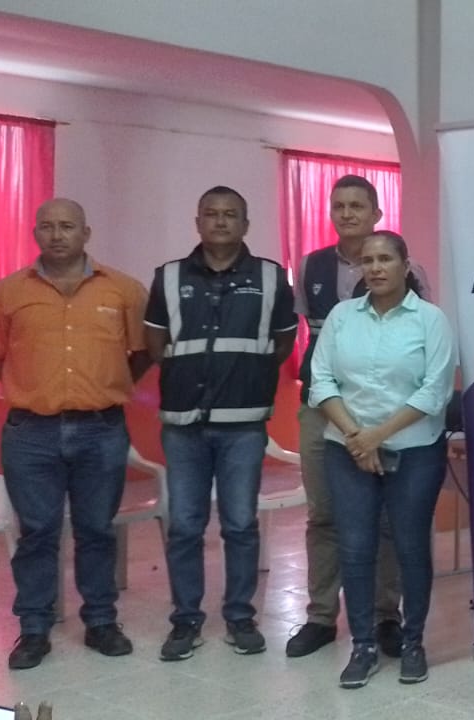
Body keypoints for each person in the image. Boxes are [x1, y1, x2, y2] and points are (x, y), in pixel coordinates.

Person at [0, 198, 151, 670]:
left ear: (86, 233)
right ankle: (34, 629)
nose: (57, 235)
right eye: (48, 226)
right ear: (35, 233)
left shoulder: (124, 290)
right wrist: (35, 386)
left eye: (68, 226)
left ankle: (101, 622)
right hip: (31, 433)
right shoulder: (7, 293)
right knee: (36, 533)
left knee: (97, 529)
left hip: (101, 430)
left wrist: (105, 384)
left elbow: (142, 352)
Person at [144, 186, 297, 661]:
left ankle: (239, 617)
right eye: (211, 214)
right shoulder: (168, 277)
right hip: (183, 424)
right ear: (198, 222)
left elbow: (282, 344)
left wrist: (244, 375)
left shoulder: (271, 277)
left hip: (243, 424)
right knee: (185, 525)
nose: (221, 221)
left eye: (231, 214)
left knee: (240, 524)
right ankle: (186, 619)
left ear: (245, 224)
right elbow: (155, 345)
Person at [307, 231, 456, 688]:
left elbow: (434, 391)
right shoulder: (342, 316)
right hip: (346, 449)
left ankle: (413, 642)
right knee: (355, 547)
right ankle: (363, 646)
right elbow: (320, 381)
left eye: (385, 259)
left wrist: (376, 436)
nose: (375, 268)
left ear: (405, 266)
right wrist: (357, 437)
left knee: (410, 546)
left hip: (414, 451)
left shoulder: (430, 320)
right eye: (368, 261)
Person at [288, 174, 425, 659]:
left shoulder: (409, 269)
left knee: (383, 516)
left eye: (357, 206)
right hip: (322, 408)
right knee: (324, 514)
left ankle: (386, 616)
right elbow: (305, 335)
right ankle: (321, 617)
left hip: (384, 414)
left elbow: (419, 339)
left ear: (377, 214)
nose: (347, 214)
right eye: (339, 206)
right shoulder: (311, 266)